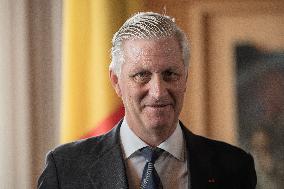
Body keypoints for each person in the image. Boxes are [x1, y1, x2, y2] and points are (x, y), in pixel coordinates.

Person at [38, 12, 257, 189]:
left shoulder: (235, 167)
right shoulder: (65, 168)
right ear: (116, 81)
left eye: (170, 74)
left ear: (186, 78)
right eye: (142, 75)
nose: (158, 91)